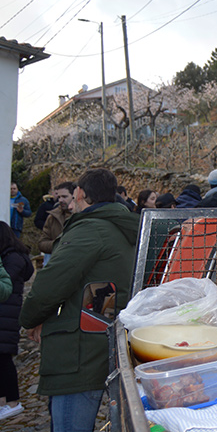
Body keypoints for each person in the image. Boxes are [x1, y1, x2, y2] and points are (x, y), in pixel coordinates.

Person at [20, 168, 139, 432]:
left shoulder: (91, 229)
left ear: (82, 193)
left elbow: (52, 281)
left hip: (78, 351)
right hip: (99, 335)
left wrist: (30, 318)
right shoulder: (120, 226)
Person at [0, 222, 34, 420]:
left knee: (5, 360)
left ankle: (13, 402)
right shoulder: (13, 256)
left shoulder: (12, 259)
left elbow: (7, 284)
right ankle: (5, 401)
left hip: (6, 315)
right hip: (7, 314)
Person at [38, 181, 76, 266]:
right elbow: (42, 243)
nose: (60, 200)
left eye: (64, 196)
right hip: (57, 263)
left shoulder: (84, 215)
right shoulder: (52, 217)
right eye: (59, 197)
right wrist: (60, 244)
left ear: (74, 196)